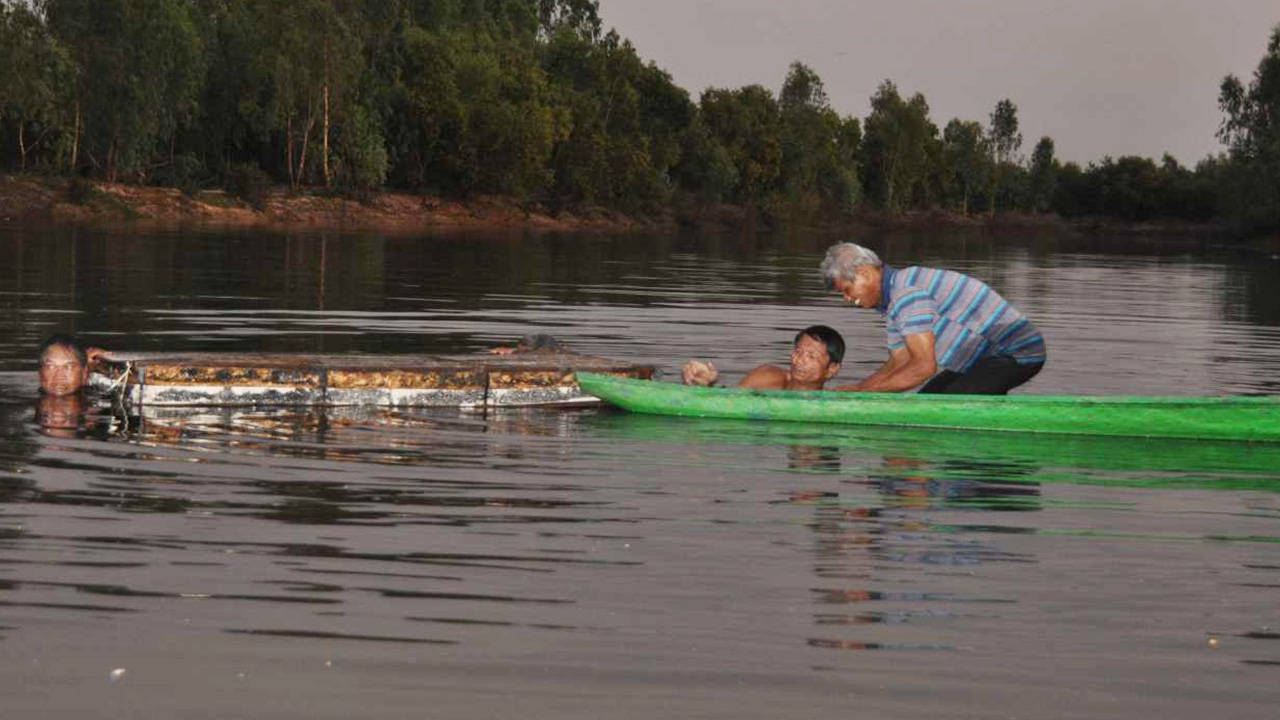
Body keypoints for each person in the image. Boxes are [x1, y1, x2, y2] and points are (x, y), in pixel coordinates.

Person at [819, 242, 1046, 394]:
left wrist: (865, 392)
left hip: (1016, 352)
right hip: (983, 361)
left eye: (846, 290)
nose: (847, 299)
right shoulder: (893, 300)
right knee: (927, 400)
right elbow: (900, 361)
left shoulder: (906, 294)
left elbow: (923, 368)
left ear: (864, 273)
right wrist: (859, 390)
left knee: (943, 409)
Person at [682, 325, 845, 391]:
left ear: (832, 369)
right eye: (798, 352)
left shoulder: (838, 399)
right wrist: (706, 384)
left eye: (811, 356)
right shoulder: (767, 377)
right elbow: (729, 400)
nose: (799, 360)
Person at [37, 334, 103, 397]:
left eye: (69, 367)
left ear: (84, 374)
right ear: (40, 374)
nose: (59, 376)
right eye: (51, 366)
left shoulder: (98, 399)